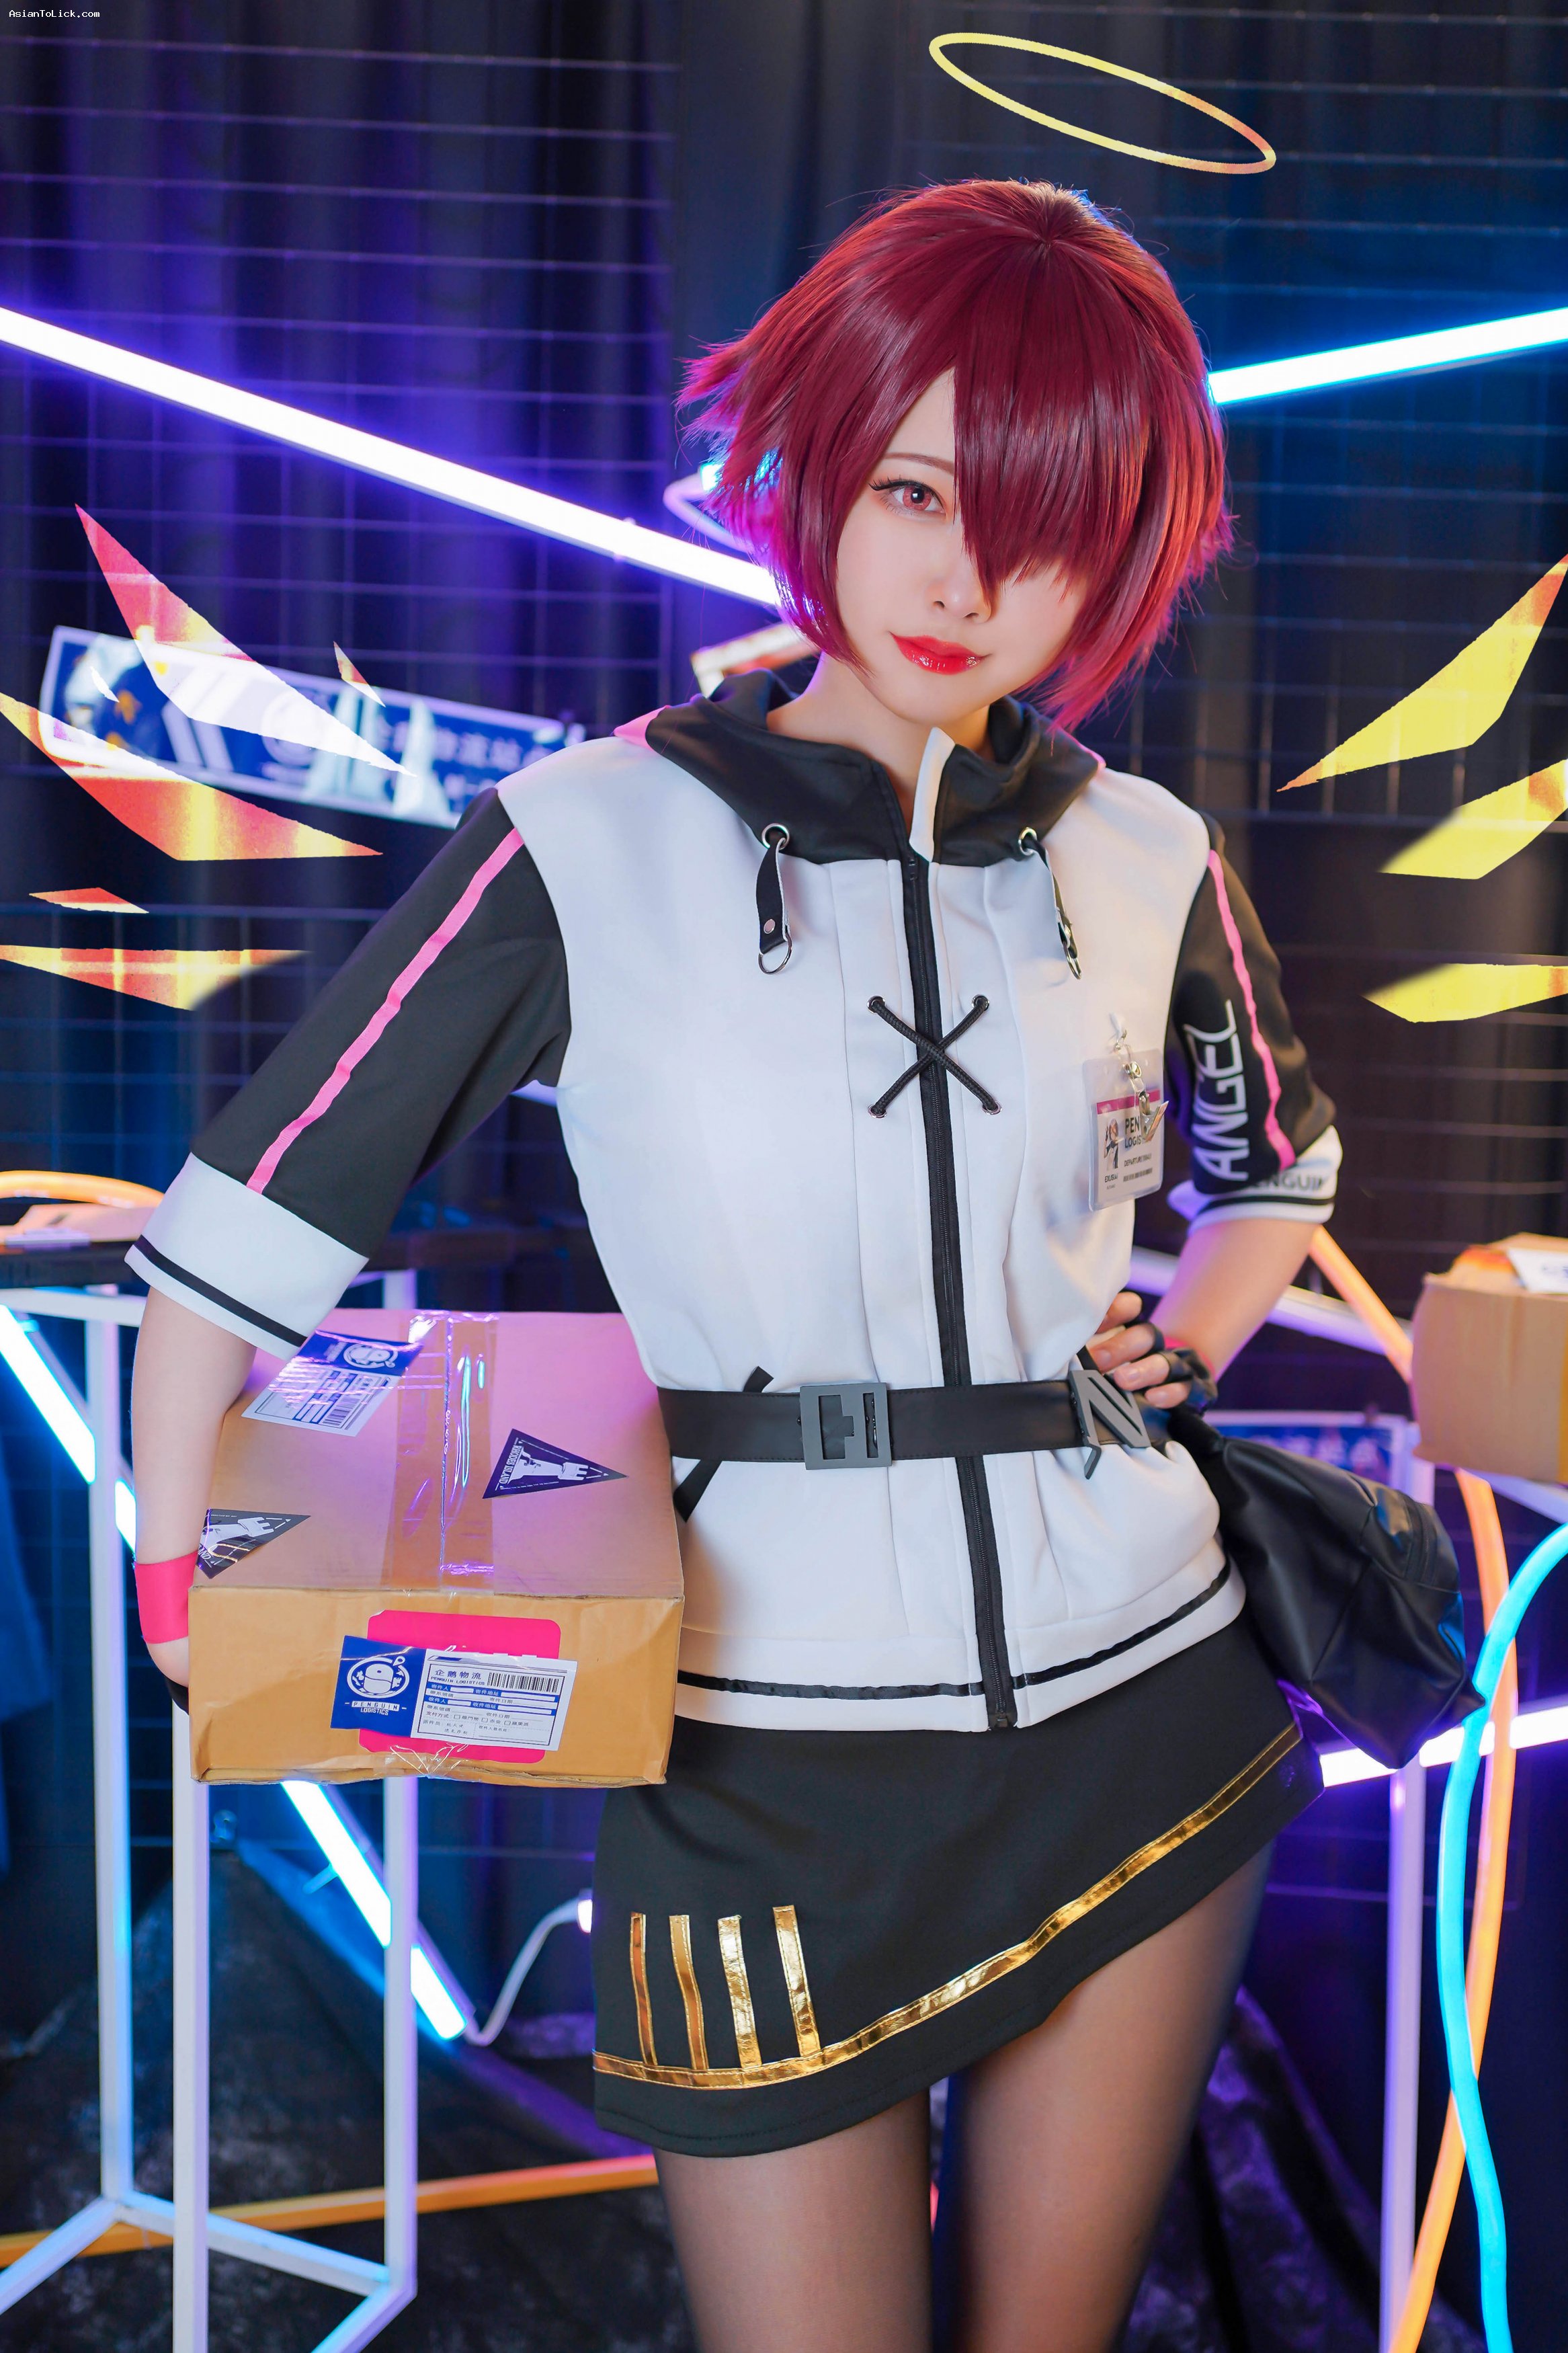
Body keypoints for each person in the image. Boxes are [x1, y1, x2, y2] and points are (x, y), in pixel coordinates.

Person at [128, 181, 1342, 2352]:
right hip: (756, 1755)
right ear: (820, 470)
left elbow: (1282, 1170)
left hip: (1147, 1705)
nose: (968, 579)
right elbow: (233, 1249)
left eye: (1047, 526)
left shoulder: (1149, 854)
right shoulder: (590, 838)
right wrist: (172, 1578)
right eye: (916, 492)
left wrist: (1195, 1330)